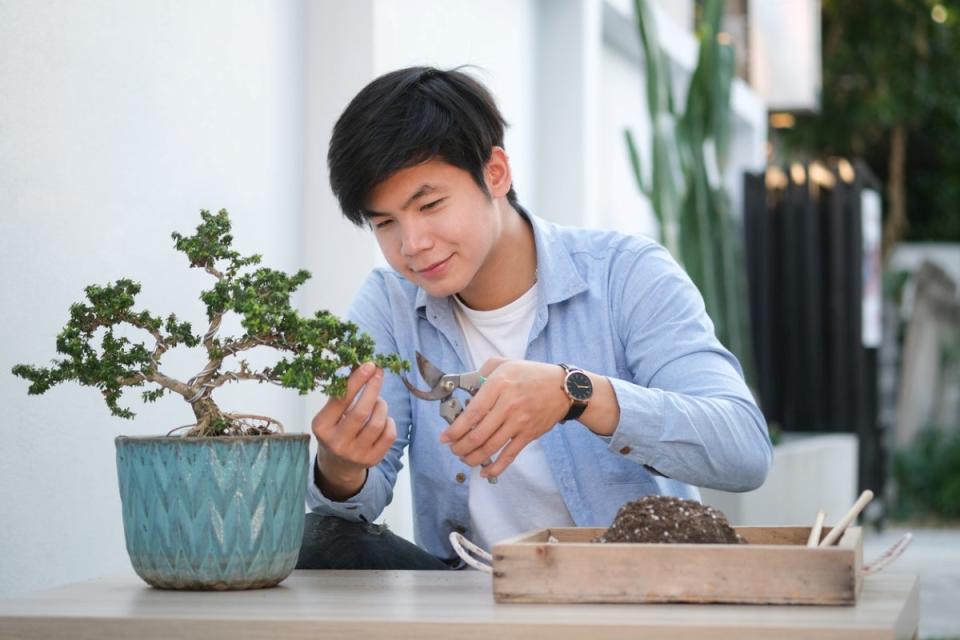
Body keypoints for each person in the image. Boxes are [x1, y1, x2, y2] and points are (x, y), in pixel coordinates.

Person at [297, 66, 772, 570]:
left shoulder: (626, 273)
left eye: (430, 204)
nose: (412, 245)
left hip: (631, 589)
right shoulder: (390, 303)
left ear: (495, 173)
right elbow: (354, 509)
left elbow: (743, 449)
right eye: (385, 223)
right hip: (466, 597)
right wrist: (340, 468)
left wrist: (577, 393)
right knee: (314, 541)